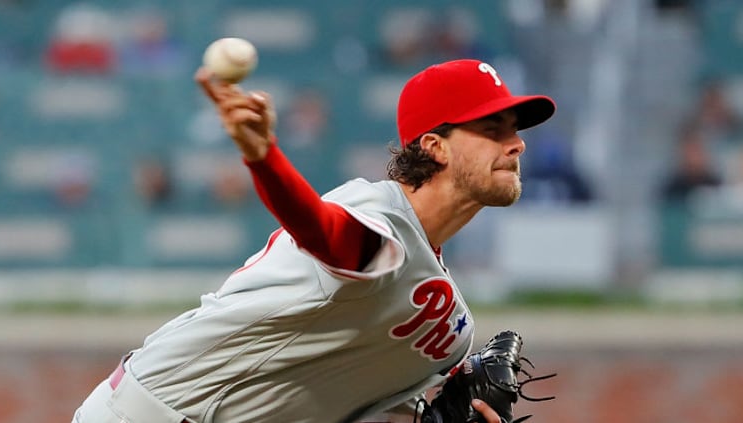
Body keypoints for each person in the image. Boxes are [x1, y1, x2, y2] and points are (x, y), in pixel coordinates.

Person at [72, 59, 555, 423]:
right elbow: (324, 232)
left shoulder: (453, 329)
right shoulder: (379, 215)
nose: (516, 143)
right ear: (434, 145)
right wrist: (264, 158)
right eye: (493, 128)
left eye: (514, 129)